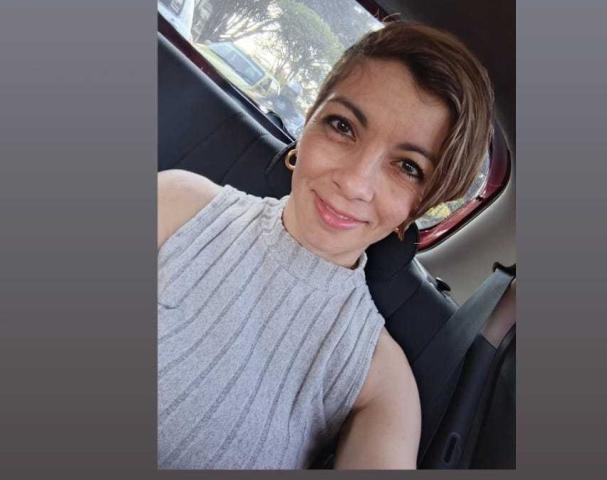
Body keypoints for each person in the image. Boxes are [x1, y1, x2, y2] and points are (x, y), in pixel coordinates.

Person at [157, 20, 493, 470]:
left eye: (408, 168)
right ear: (308, 123)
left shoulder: (381, 382)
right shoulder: (179, 200)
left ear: (419, 206)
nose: (354, 183)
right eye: (342, 126)